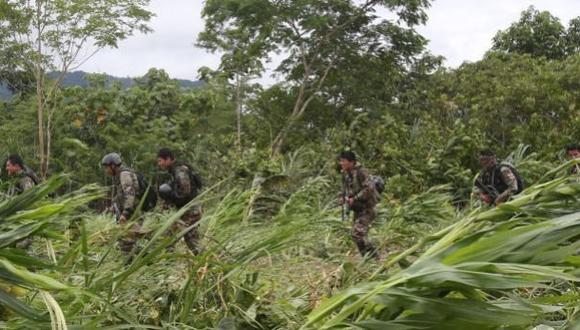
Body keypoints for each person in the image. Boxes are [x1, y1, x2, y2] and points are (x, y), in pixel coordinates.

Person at [157, 148, 203, 254]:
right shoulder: (175, 170)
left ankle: (166, 263)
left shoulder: (179, 170)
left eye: (160, 160)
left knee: (168, 237)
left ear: (168, 159)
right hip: (190, 210)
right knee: (192, 241)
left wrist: (172, 196)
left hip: (190, 211)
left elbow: (185, 190)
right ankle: (206, 263)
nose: (159, 164)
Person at [339, 151, 379, 259]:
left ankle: (374, 257)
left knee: (357, 233)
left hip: (368, 209)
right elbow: (345, 190)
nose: (341, 163)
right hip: (358, 209)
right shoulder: (346, 174)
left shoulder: (361, 172)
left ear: (351, 162)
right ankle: (368, 258)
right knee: (356, 235)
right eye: (341, 161)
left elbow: (369, 188)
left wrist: (355, 198)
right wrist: (342, 198)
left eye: (343, 161)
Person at [101, 152, 143, 253]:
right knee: (126, 242)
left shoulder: (124, 174)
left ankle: (140, 262)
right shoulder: (119, 176)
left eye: (107, 167)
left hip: (131, 215)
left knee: (127, 243)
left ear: (113, 166)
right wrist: (111, 209)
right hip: (129, 214)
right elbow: (120, 196)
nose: (106, 171)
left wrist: (125, 213)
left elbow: (130, 195)